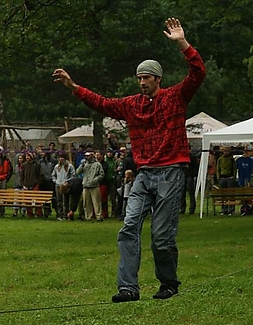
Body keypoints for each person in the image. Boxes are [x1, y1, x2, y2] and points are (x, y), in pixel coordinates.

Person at [53, 17, 206, 303]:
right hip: (144, 175)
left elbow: (198, 72)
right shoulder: (131, 105)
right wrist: (73, 86)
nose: (141, 82)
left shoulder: (175, 97)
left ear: (158, 79)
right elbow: (101, 103)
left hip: (171, 172)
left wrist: (182, 43)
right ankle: (128, 288)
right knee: (128, 227)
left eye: (146, 78)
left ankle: (169, 283)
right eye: (139, 78)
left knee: (161, 237)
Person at [76, 149, 105, 222]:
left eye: (88, 156)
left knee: (96, 202)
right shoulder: (84, 164)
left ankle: (98, 216)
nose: (86, 157)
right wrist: (81, 166)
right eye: (86, 156)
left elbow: (102, 174)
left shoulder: (97, 164)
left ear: (92, 156)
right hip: (85, 185)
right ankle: (88, 216)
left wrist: (95, 180)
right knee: (86, 203)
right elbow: (77, 172)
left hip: (94, 186)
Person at [51, 152, 76, 220]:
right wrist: (55, 181)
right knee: (59, 201)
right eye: (60, 157)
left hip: (65, 185)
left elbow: (73, 175)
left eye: (62, 157)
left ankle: (66, 214)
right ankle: (60, 215)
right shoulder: (57, 166)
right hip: (58, 185)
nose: (61, 159)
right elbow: (53, 175)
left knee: (65, 201)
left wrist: (67, 182)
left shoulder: (70, 166)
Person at [21, 152, 43, 218]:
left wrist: (38, 183)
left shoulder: (37, 164)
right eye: (26, 156)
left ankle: (38, 213)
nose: (27, 157)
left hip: (35, 185)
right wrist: (23, 184)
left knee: (37, 200)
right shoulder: (24, 165)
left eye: (29, 156)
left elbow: (40, 175)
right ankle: (30, 214)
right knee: (28, 201)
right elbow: (22, 175)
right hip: (26, 185)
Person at [216, 146, 237, 215]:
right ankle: (224, 209)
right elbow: (218, 169)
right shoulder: (220, 159)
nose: (226, 152)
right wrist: (218, 177)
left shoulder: (231, 159)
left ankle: (231, 209)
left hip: (229, 178)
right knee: (223, 195)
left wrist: (233, 177)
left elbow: (234, 169)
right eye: (224, 151)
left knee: (231, 195)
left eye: (227, 151)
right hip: (222, 178)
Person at [95, 151, 109, 219]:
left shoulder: (105, 164)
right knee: (96, 200)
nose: (97, 156)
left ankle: (104, 214)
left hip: (103, 183)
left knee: (103, 199)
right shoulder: (94, 164)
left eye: (98, 155)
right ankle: (97, 213)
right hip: (95, 184)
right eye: (96, 155)